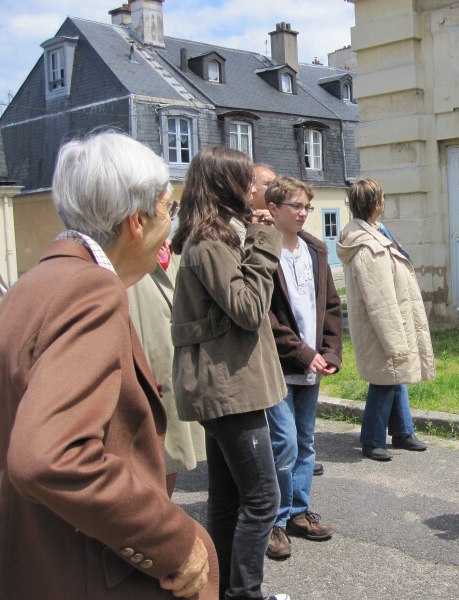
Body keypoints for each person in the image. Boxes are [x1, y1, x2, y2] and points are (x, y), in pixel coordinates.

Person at [0, 131, 216, 599]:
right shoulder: (91, 290)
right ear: (136, 221)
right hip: (81, 568)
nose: (170, 225)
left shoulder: (30, 285)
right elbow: (47, 456)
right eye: (167, 210)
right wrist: (173, 542)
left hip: (28, 557)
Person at [171, 146, 289, 600]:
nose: (254, 189)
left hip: (227, 386)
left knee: (227, 501)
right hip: (228, 388)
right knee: (263, 500)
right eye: (247, 181)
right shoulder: (210, 241)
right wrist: (266, 242)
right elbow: (247, 308)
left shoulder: (215, 236)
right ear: (226, 186)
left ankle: (223, 591)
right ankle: (244, 594)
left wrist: (253, 236)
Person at [263, 176, 343, 559]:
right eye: (294, 206)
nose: (302, 212)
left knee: (306, 440)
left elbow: (330, 305)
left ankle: (297, 511)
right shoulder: (263, 250)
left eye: (306, 206)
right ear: (273, 209)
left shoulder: (315, 249)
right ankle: (274, 522)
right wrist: (300, 352)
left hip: (312, 365)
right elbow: (263, 316)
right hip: (277, 365)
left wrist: (328, 351)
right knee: (284, 443)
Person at [336, 179, 435, 461]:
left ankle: (402, 432)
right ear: (377, 203)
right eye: (383, 197)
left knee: (395, 375)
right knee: (384, 378)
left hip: (393, 319)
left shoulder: (374, 232)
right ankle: (372, 439)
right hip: (382, 324)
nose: (384, 201)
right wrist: (393, 337)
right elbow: (378, 298)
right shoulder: (367, 245)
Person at [127, 239, 206, 498]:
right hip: (144, 369)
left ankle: (161, 520)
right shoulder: (123, 257)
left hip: (177, 369)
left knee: (172, 449)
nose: (169, 215)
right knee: (146, 457)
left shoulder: (176, 252)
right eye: (163, 207)